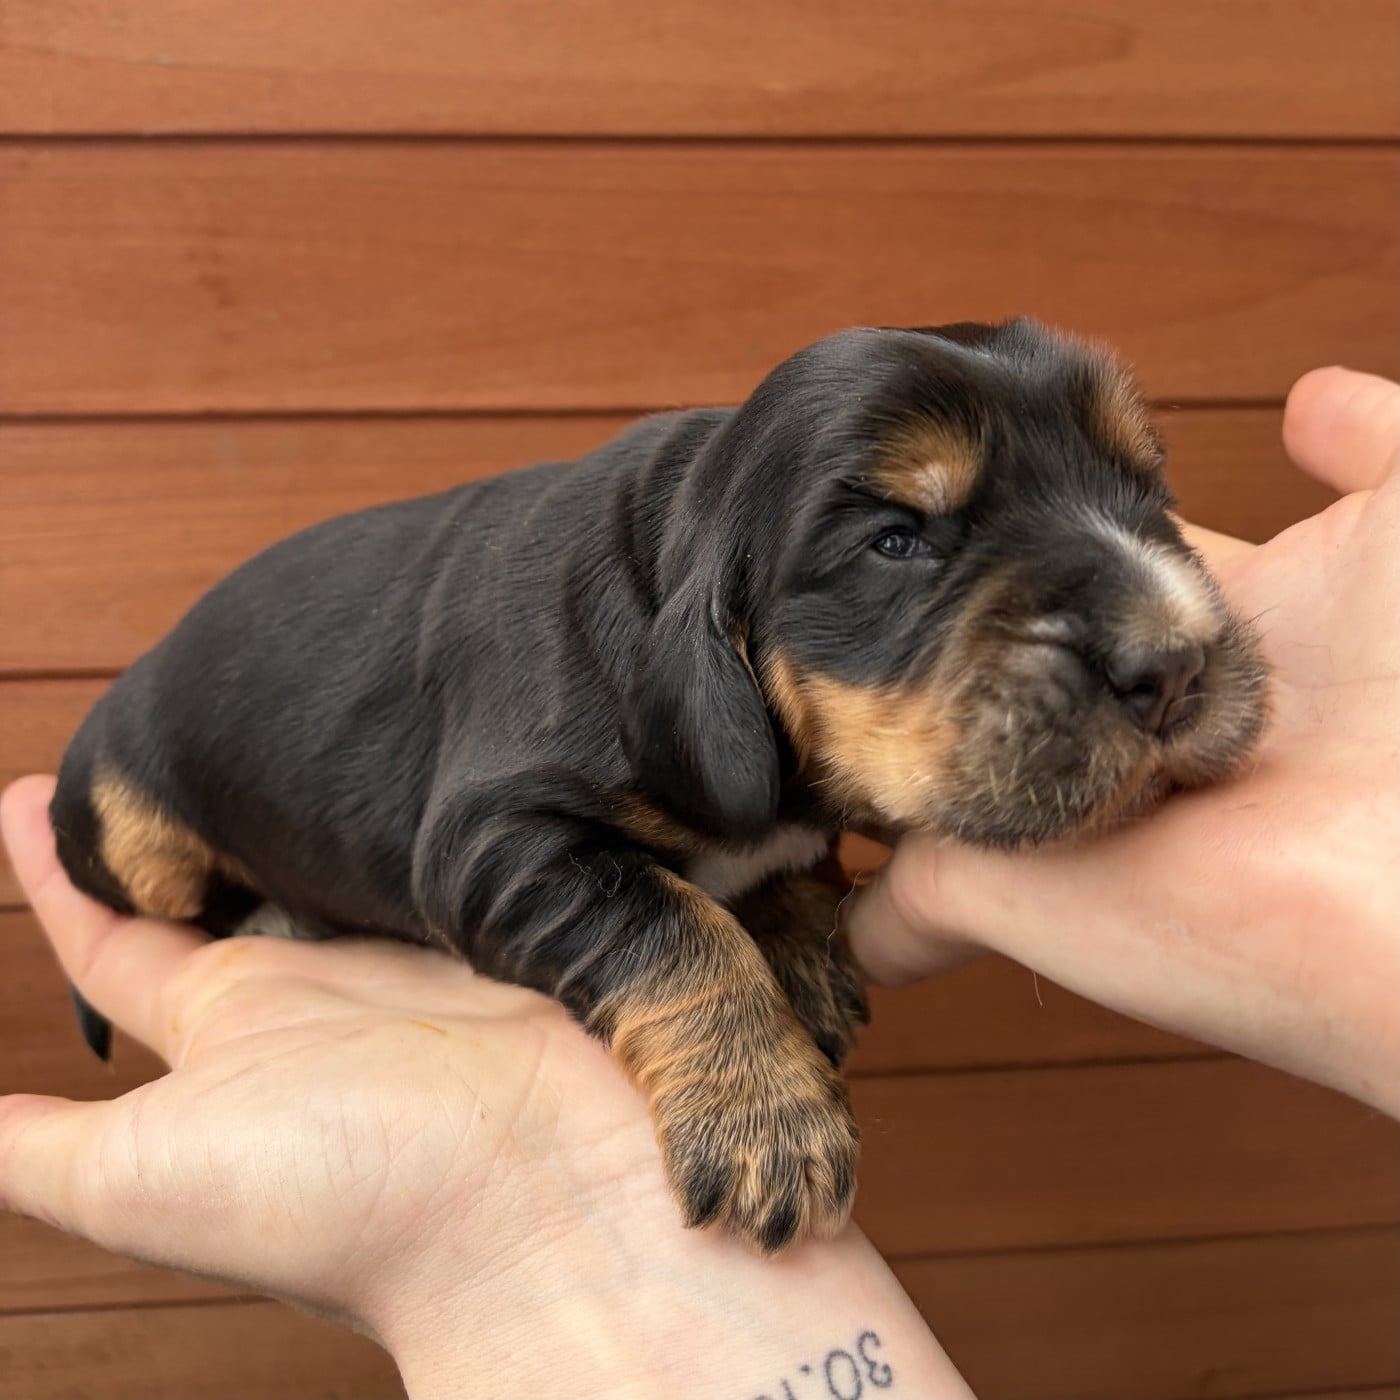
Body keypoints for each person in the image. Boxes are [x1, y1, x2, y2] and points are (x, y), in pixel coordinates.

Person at [0, 366, 1394, 1398]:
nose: (1163, 625)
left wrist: (790, 882)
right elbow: (496, 847)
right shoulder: (597, 670)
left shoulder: (760, 649)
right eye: (904, 538)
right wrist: (714, 1026)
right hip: (161, 769)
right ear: (710, 640)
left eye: (1131, 486)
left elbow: (783, 770)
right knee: (134, 851)